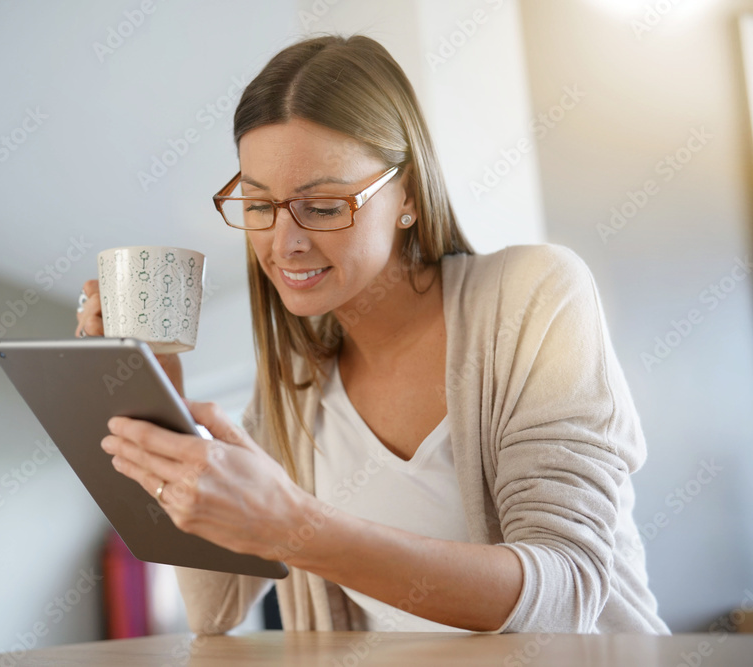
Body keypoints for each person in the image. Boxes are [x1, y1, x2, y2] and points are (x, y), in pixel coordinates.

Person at [75, 34, 669, 635]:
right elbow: (214, 608)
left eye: (325, 206)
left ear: (407, 192)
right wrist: (158, 395)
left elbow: (566, 595)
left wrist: (296, 527)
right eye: (258, 205)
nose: (285, 244)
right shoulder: (297, 387)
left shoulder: (532, 295)